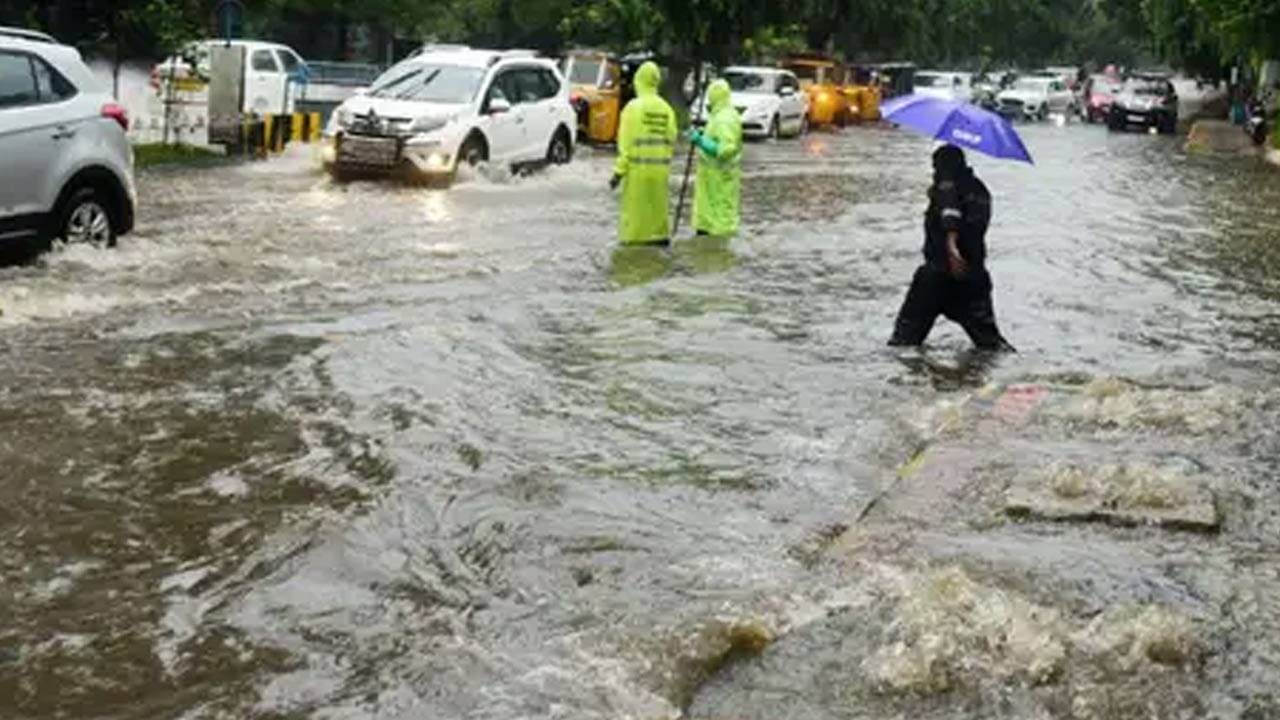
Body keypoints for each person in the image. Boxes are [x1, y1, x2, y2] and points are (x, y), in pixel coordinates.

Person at [888, 144, 1012, 351]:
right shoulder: (979, 189)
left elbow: (950, 213)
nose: (934, 172)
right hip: (972, 276)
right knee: (991, 345)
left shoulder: (946, 187)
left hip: (936, 276)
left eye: (935, 167)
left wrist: (951, 242)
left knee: (903, 343)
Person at [610, 61, 678, 245]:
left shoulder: (632, 108)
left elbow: (625, 146)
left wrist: (618, 173)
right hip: (660, 173)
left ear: (639, 80)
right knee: (657, 214)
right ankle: (658, 239)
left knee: (635, 222)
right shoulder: (667, 109)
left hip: (637, 174)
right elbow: (672, 139)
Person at [687, 79, 743, 237]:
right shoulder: (719, 114)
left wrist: (700, 140)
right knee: (708, 226)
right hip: (712, 183)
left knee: (719, 227)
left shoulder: (725, 119)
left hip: (719, 183)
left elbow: (726, 149)